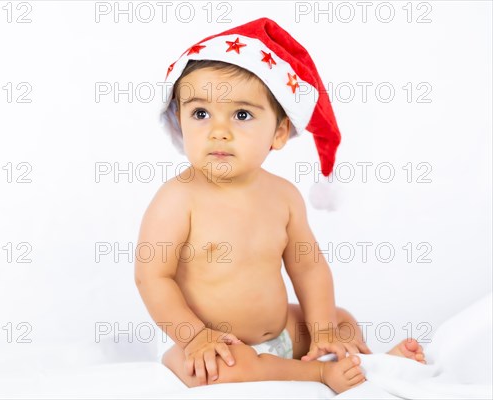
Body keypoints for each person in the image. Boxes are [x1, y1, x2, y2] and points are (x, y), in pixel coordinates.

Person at [134, 18, 426, 394]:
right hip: (213, 345)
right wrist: (194, 337)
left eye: (241, 115)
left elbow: (308, 266)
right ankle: (320, 374)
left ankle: (367, 362)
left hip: (282, 331)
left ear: (279, 132)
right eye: (200, 113)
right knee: (215, 370)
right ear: (179, 120)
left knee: (341, 320)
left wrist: (321, 330)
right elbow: (152, 277)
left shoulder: (284, 196)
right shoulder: (178, 198)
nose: (218, 130)